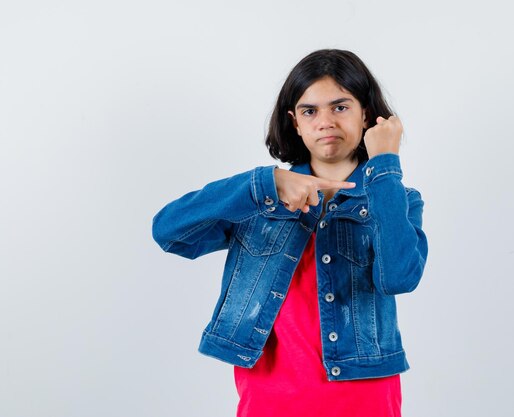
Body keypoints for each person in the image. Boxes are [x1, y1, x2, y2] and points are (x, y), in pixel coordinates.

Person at [152, 49, 428, 417]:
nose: (325, 121)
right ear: (294, 122)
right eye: (310, 111)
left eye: (340, 107)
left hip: (364, 394)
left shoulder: (398, 198)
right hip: (270, 394)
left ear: (366, 113)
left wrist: (385, 165)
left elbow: (399, 277)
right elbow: (169, 232)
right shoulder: (259, 199)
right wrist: (265, 183)